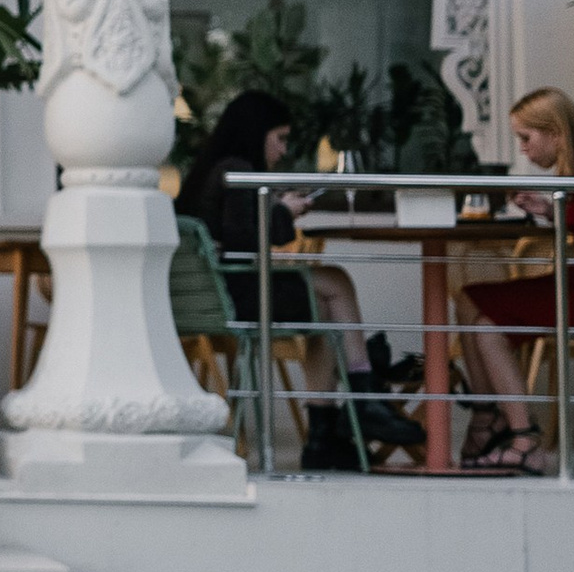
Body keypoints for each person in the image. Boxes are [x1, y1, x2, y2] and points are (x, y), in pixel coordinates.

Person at [175, 86, 419, 469]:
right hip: (236, 294)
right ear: (257, 133)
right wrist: (284, 212)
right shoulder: (236, 170)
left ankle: (326, 432)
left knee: (326, 311)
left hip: (216, 293)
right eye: (280, 139)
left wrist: (276, 208)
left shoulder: (209, 170)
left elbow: (236, 232)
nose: (283, 150)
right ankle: (364, 399)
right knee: (335, 282)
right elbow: (246, 237)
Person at [457, 85, 574, 474]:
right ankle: (490, 418)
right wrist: (553, 213)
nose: (522, 149)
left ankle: (523, 439)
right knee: (470, 298)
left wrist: (558, 220)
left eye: (525, 138)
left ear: (555, 133)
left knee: (487, 326)